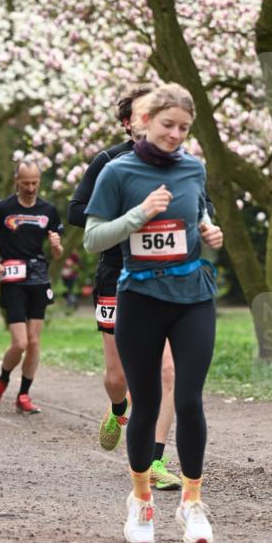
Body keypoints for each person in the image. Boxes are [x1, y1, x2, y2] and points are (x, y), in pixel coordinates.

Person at [84, 83, 223, 543]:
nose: (176, 135)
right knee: (144, 405)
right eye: (168, 125)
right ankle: (141, 501)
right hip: (141, 298)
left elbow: (198, 212)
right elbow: (93, 238)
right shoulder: (116, 172)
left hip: (192, 295)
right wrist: (138, 216)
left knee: (188, 399)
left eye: (184, 128)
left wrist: (209, 230)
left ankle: (192, 503)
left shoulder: (193, 168)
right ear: (145, 121)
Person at [68, 85, 182, 491]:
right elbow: (76, 211)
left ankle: (154, 460)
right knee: (118, 376)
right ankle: (119, 409)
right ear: (128, 122)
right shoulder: (109, 161)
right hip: (116, 273)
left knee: (167, 372)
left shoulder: (177, 163)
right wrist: (131, 217)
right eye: (143, 113)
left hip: (163, 275)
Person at [0, 158, 64, 414]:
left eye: (35, 182)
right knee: (20, 343)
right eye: (25, 182)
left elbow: (57, 254)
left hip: (38, 278)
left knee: (34, 342)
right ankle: (2, 380)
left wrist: (57, 246)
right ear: (16, 181)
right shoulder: (3, 207)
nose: (31, 187)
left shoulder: (48, 210)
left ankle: (24, 394)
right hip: (13, 278)